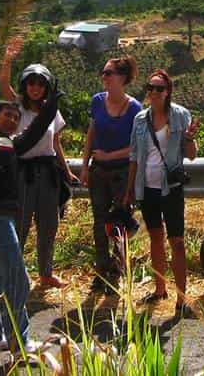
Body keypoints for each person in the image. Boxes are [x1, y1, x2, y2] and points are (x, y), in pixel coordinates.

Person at [0, 91, 61, 364]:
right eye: (7, 115)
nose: (12, 120)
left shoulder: (8, 144)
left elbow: (33, 134)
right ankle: (21, 343)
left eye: (16, 118)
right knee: (19, 281)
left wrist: (51, 106)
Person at [0, 61, 80, 290]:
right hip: (23, 172)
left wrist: (67, 171)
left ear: (47, 87)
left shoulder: (51, 109)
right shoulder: (18, 108)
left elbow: (55, 143)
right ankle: (13, 275)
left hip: (48, 172)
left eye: (41, 84)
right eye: (31, 83)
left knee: (48, 226)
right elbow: (3, 85)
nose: (35, 88)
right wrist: (7, 60)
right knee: (20, 226)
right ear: (25, 85)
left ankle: (46, 274)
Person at [122, 70, 198, 313]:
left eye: (159, 89)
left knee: (176, 241)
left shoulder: (181, 116)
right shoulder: (140, 120)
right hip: (147, 186)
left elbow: (192, 155)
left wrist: (189, 139)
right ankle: (159, 289)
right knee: (155, 236)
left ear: (168, 92)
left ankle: (182, 298)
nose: (154, 92)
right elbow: (134, 156)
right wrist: (130, 189)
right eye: (150, 88)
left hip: (171, 187)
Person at [80, 55, 142, 289]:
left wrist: (109, 156)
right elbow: (91, 134)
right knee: (99, 223)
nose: (104, 77)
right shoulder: (97, 101)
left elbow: (136, 146)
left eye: (109, 73)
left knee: (119, 224)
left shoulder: (134, 108)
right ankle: (102, 270)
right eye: (103, 72)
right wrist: (85, 166)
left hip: (122, 173)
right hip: (98, 172)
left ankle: (117, 270)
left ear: (122, 78)